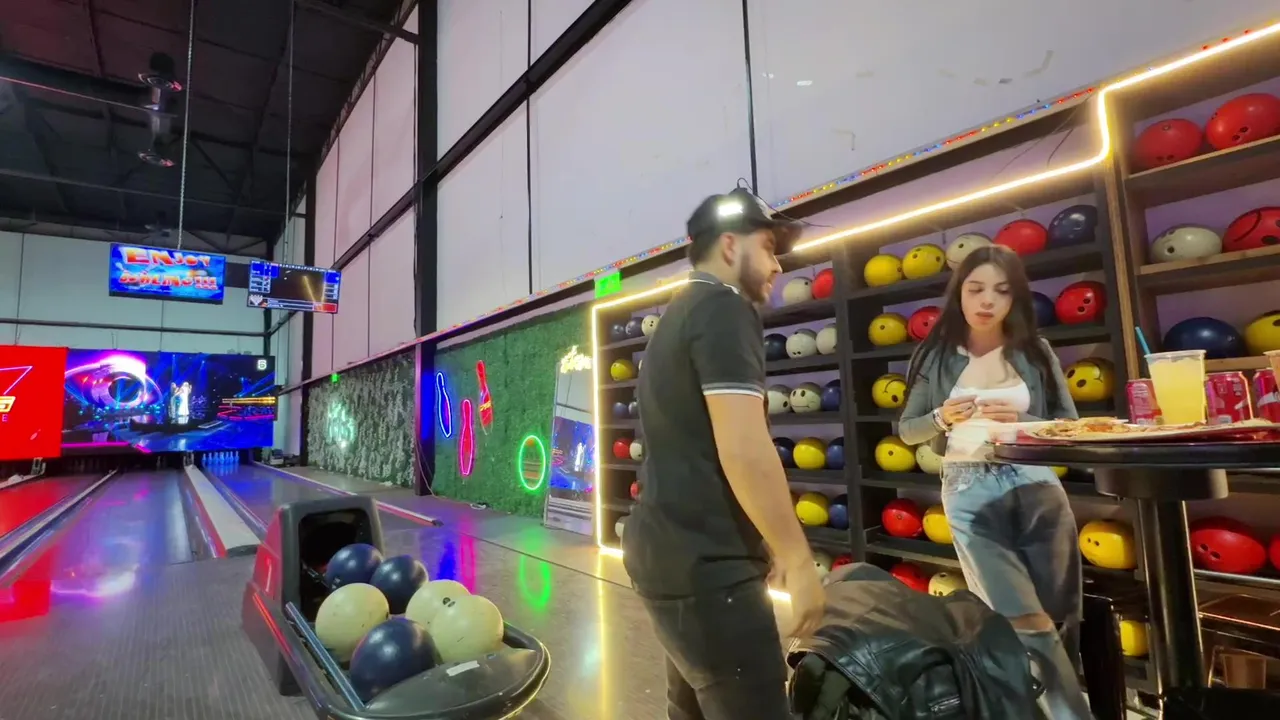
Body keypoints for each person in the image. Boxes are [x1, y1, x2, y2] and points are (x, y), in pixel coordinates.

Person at [623, 188, 826, 720]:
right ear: (731, 246)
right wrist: (797, 558)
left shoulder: (679, 313)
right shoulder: (723, 307)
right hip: (707, 567)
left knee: (691, 710)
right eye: (769, 247)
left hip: (668, 557)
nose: (778, 265)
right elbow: (743, 447)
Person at [898, 245, 1093, 720]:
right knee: (1023, 619)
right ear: (959, 294)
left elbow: (1069, 426)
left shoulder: (1035, 351)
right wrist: (941, 417)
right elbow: (907, 431)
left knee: (1058, 618)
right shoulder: (934, 355)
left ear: (1015, 299)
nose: (987, 301)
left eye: (1001, 291)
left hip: (1036, 485)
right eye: (976, 289)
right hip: (969, 488)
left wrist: (1024, 422)